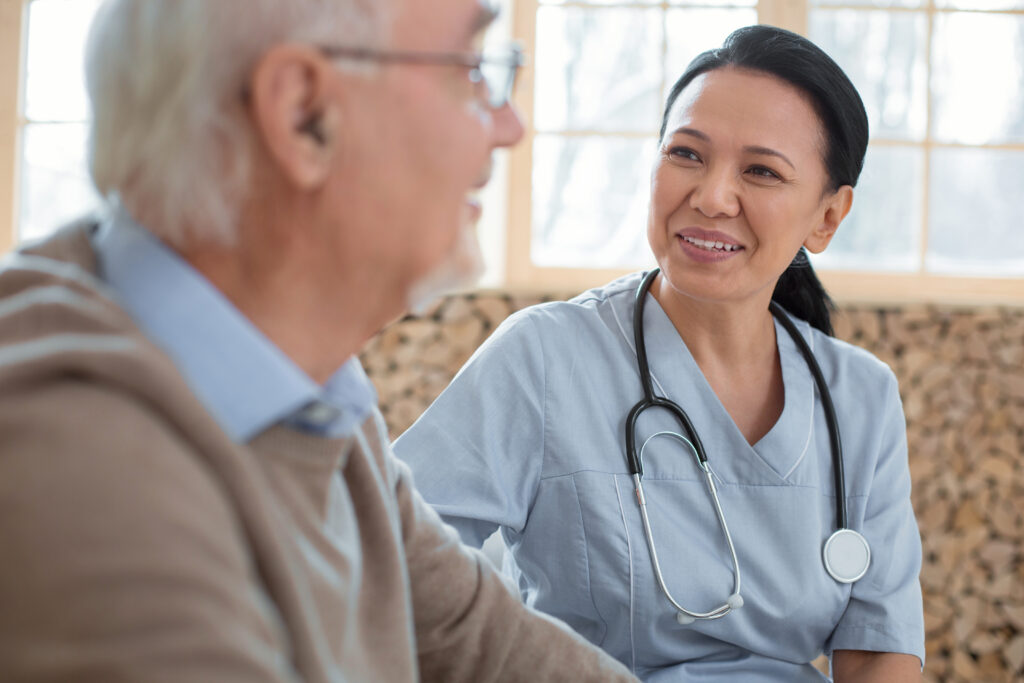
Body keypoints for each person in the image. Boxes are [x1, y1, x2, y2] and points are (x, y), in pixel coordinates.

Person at [0, 1, 639, 681]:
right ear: (304, 114)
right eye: (472, 69)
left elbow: (479, 639)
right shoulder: (91, 486)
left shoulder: (307, 390)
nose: (510, 126)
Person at [395, 25, 925, 682]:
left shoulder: (861, 397)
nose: (710, 196)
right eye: (686, 154)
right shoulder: (545, 358)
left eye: (760, 171)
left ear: (828, 217)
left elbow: (878, 650)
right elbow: (388, 556)